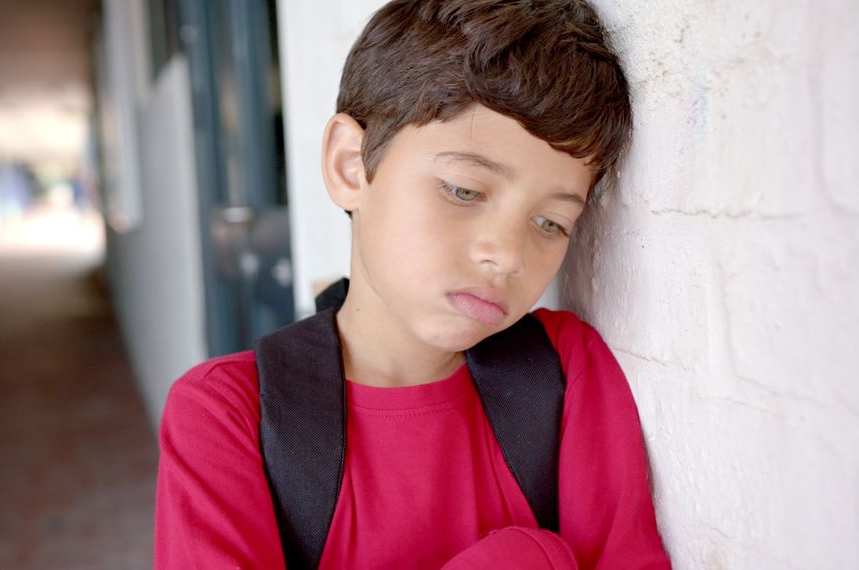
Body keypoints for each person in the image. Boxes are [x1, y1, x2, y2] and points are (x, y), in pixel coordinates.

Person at [155, 0, 670, 567]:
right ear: (351, 165)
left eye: (550, 223)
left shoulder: (564, 374)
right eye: (463, 190)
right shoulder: (229, 416)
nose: (505, 255)